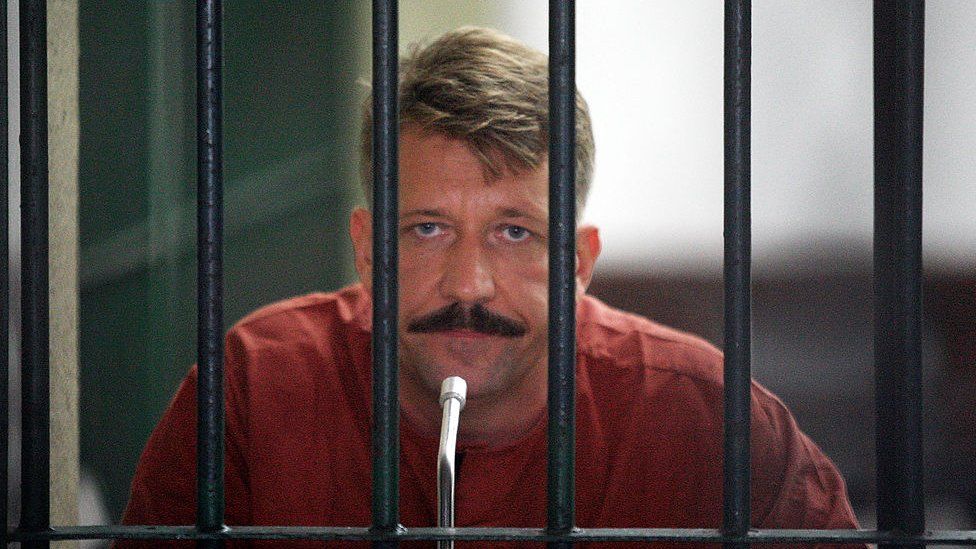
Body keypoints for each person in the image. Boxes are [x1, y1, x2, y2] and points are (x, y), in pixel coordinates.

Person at [120, 27, 860, 548]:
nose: (468, 284)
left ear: (578, 260)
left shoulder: (706, 417)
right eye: (427, 229)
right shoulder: (252, 390)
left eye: (515, 232)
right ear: (367, 250)